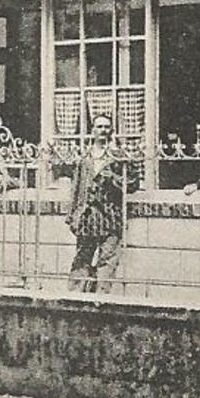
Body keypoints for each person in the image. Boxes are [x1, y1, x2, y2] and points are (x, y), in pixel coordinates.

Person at [67, 113, 134, 293]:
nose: (103, 131)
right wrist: (72, 214)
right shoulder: (85, 157)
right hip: (87, 217)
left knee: (107, 261)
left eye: (106, 127)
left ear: (111, 131)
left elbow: (132, 183)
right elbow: (76, 186)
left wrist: (113, 178)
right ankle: (74, 299)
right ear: (93, 131)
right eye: (99, 127)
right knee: (82, 259)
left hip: (110, 216)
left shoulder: (118, 156)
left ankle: (100, 300)